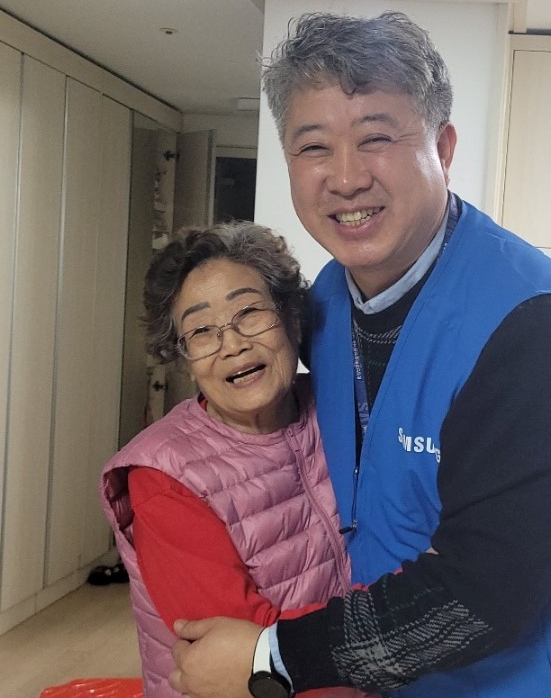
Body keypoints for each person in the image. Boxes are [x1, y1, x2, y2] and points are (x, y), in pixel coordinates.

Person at [171, 11, 551, 698]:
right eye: (313, 147)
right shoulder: (325, 301)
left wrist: (272, 656)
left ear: (443, 147)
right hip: (407, 672)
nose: (345, 178)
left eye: (376, 138)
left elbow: (485, 590)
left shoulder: (543, 330)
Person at [99, 223, 372, 698]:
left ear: (291, 318)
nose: (232, 344)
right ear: (184, 357)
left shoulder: (337, 407)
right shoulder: (164, 476)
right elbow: (242, 654)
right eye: (201, 331)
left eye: (249, 312)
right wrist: (397, 639)